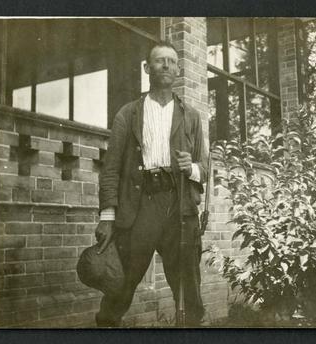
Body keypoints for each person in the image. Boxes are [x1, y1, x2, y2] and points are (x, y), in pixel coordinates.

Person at [94, 40, 207, 327]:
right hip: (139, 207)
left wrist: (190, 167)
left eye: (171, 60)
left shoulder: (191, 117)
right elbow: (111, 169)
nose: (166, 65)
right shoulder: (128, 113)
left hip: (179, 210)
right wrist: (107, 216)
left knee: (188, 290)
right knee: (119, 285)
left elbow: (205, 168)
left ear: (178, 69)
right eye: (159, 60)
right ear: (147, 68)